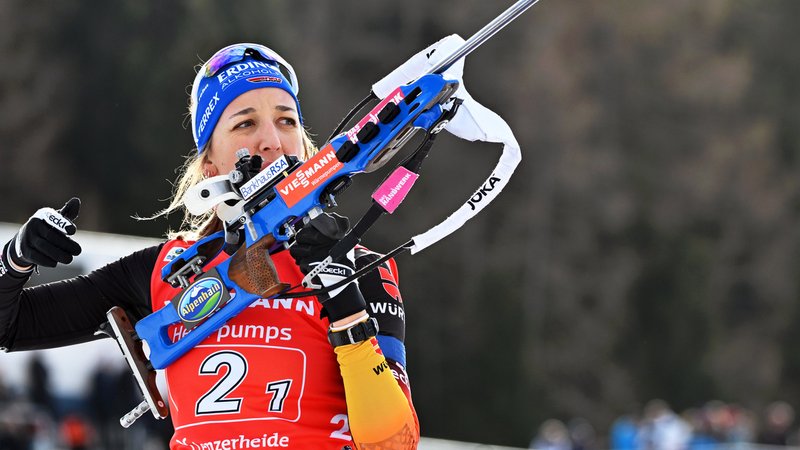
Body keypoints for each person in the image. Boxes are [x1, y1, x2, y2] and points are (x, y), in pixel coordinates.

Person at [0, 43, 418, 449]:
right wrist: (17, 259)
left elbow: (394, 443)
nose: (272, 140)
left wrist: (346, 305)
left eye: (287, 120)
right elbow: (10, 326)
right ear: (210, 165)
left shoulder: (363, 267)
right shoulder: (168, 269)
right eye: (245, 123)